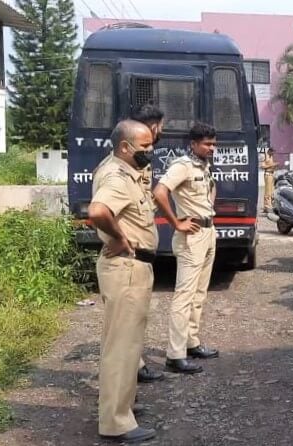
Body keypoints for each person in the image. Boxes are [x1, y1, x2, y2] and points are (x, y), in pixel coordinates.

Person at [89, 120, 157, 443]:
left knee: (128, 346)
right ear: (125, 148)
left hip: (131, 268)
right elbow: (99, 211)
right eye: (145, 147)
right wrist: (120, 237)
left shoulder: (126, 171)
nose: (151, 151)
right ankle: (116, 422)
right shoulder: (117, 176)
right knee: (121, 347)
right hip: (126, 267)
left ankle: (123, 406)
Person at [153, 122, 219, 374]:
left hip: (207, 231)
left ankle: (191, 342)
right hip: (191, 238)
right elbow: (160, 193)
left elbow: (209, 191)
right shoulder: (182, 166)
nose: (212, 148)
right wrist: (176, 223)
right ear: (193, 144)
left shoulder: (203, 165)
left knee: (199, 294)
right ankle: (175, 354)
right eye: (207, 144)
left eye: (213, 144)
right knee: (184, 296)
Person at [129, 103, 165, 384]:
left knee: (136, 321)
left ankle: (135, 367)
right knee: (126, 325)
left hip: (141, 255)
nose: (162, 132)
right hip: (126, 257)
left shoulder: (142, 162)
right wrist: (121, 240)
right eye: (160, 126)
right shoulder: (121, 167)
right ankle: (128, 375)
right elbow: (106, 211)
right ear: (152, 126)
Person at [260, 148, 278, 213]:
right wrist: (272, 165)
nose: (273, 154)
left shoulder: (271, 156)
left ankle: (268, 206)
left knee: (271, 191)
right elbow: (262, 166)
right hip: (267, 175)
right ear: (269, 151)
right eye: (272, 152)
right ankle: (267, 206)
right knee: (267, 192)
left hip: (271, 174)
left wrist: (275, 166)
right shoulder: (264, 156)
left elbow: (271, 165)